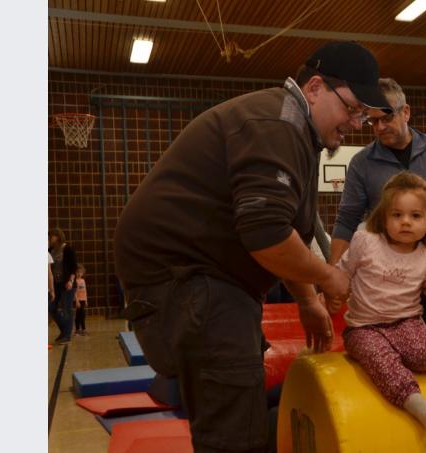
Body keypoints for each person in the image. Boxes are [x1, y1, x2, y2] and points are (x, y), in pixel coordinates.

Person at [114, 41, 389, 453]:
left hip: (202, 279)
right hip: (186, 280)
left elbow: (285, 228)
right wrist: (328, 276)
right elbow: (265, 234)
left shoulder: (294, 128)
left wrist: (308, 301)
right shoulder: (275, 125)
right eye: (352, 109)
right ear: (314, 87)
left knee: (238, 405)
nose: (355, 123)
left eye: (363, 116)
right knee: (233, 427)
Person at [328, 172, 426, 434]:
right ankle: (416, 404)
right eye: (397, 215)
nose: (405, 222)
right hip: (364, 328)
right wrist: (327, 296)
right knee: (379, 357)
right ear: (384, 218)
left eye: (415, 216)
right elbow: (343, 272)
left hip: (406, 323)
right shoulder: (366, 241)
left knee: (425, 356)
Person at [329, 77, 426, 338]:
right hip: (387, 286)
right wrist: (333, 276)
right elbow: (346, 222)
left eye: (386, 118)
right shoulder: (362, 163)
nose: (379, 127)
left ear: (405, 112)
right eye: (372, 121)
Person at [49, 228, 79, 344]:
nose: (50, 238)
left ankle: (67, 335)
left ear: (58, 236)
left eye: (52, 236)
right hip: (55, 284)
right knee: (51, 307)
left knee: (67, 308)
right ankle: (64, 330)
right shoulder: (50, 250)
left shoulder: (67, 249)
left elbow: (73, 267)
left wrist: (71, 281)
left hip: (67, 282)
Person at [74, 264, 88, 335]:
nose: (79, 274)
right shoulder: (75, 281)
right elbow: (74, 292)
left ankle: (83, 329)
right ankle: (78, 329)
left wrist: (86, 300)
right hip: (78, 300)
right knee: (79, 315)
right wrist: (76, 301)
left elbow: (85, 291)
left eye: (80, 272)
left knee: (82, 314)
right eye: (77, 272)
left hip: (83, 300)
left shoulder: (83, 281)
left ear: (83, 273)